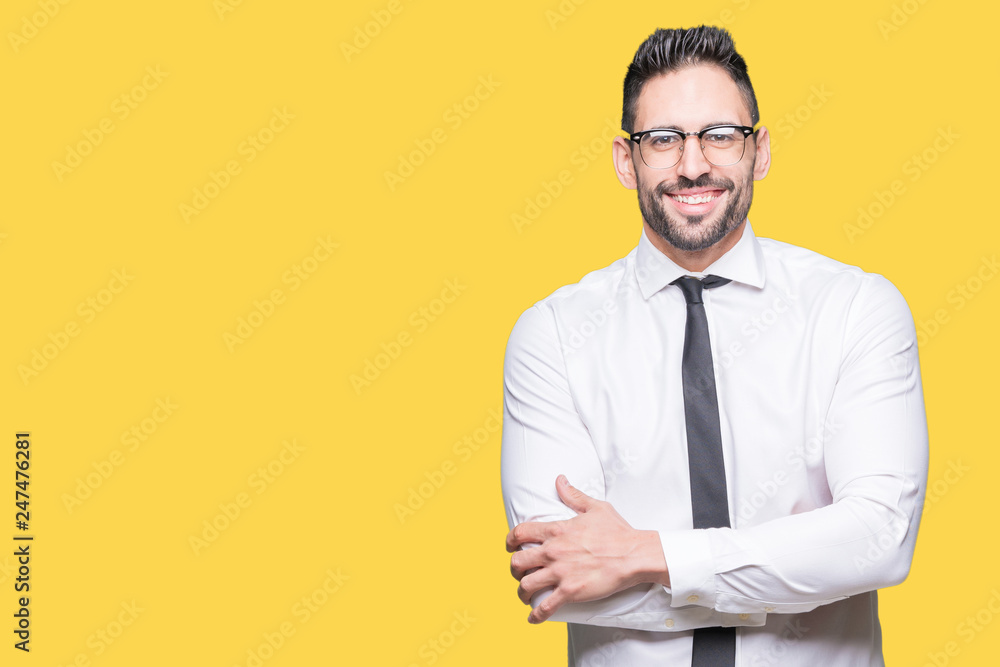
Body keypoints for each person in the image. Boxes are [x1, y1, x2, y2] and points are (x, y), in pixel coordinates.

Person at [500, 25, 928, 666]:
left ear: (759, 152)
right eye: (664, 139)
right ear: (626, 160)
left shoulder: (854, 310)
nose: (693, 164)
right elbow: (559, 578)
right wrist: (796, 577)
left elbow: (878, 540)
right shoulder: (553, 336)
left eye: (720, 136)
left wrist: (646, 556)